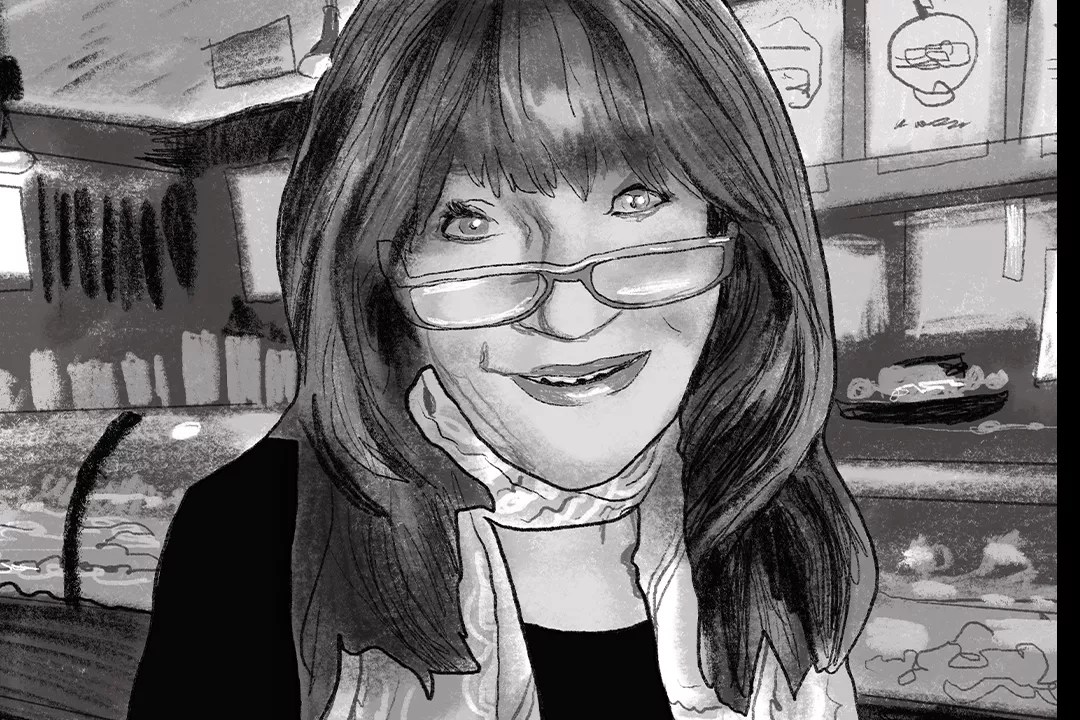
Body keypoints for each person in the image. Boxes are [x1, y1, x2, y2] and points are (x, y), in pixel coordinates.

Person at [128, 0, 877, 718]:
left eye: (638, 200)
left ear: (738, 237)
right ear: (377, 272)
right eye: (467, 223)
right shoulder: (258, 534)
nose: (570, 317)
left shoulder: (770, 520)